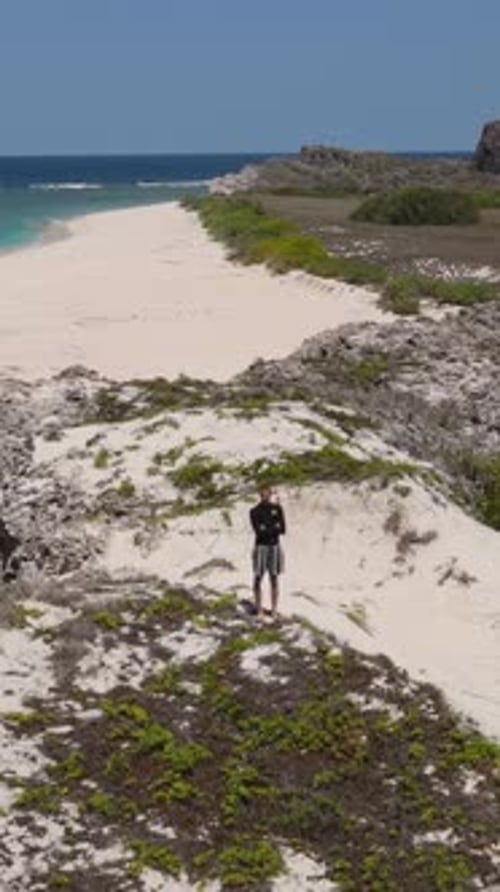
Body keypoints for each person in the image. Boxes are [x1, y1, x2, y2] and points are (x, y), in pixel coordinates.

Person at [250, 485, 286, 620]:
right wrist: (273, 527)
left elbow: (282, 529)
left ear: (270, 494)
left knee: (274, 578)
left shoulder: (277, 508)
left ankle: (274, 610)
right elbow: (259, 531)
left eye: (267, 493)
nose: (265, 495)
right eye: (263, 493)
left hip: (275, 546)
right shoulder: (254, 511)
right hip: (261, 547)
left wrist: (268, 528)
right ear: (259, 494)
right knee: (258, 577)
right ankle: (259, 609)